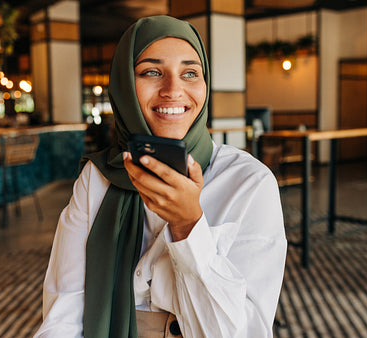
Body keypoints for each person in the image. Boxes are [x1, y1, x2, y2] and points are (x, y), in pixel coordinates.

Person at [34, 15, 287, 338]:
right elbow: (64, 315)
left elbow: (244, 332)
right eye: (152, 72)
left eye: (190, 73)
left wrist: (188, 225)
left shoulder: (249, 183)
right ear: (124, 85)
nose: (173, 90)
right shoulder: (98, 178)